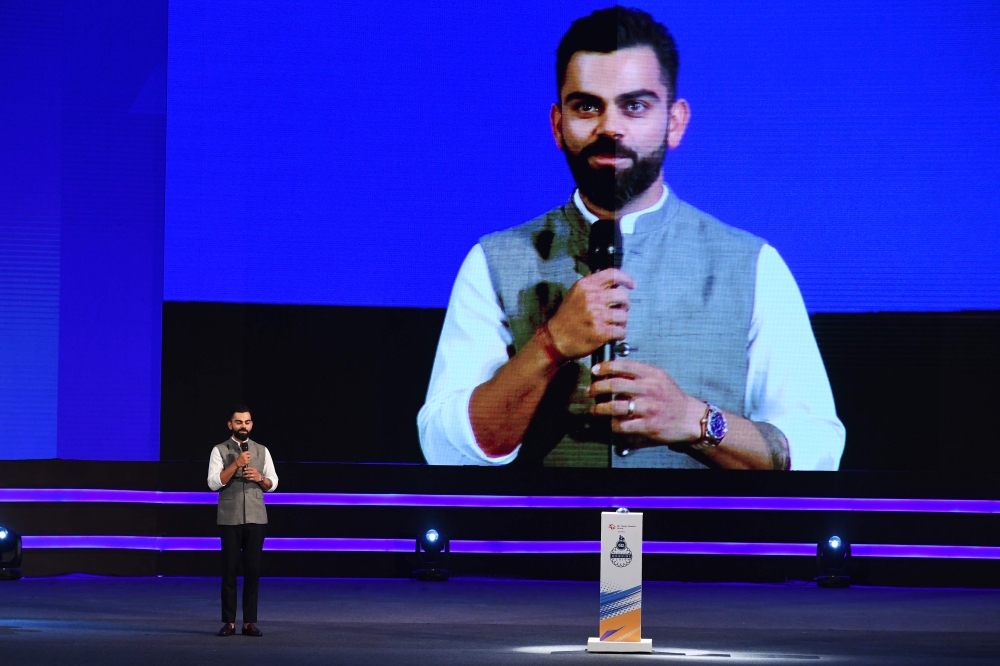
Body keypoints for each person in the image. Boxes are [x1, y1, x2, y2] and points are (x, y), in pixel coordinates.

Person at [418, 7, 845, 470]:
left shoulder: (753, 264)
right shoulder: (493, 261)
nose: (610, 127)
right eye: (587, 106)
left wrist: (695, 419)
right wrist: (549, 345)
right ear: (558, 125)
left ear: (675, 122)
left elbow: (816, 453)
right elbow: (445, 451)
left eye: (634, 105)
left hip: (696, 542)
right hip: (549, 541)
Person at [207, 405, 279, 636]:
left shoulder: (262, 450)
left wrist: (261, 478)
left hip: (256, 517)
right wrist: (235, 464)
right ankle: (228, 622)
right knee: (229, 570)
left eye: (247, 422)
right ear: (230, 425)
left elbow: (273, 483)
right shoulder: (219, 450)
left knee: (252, 570)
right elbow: (213, 483)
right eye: (238, 422)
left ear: (251, 424)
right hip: (230, 517)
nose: (243, 426)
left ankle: (249, 622)